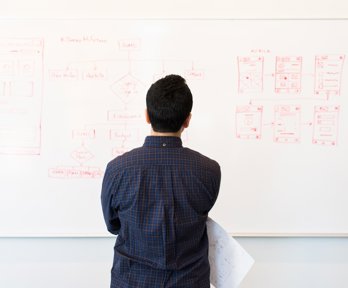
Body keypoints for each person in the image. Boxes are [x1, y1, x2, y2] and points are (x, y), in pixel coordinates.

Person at [101, 74, 221, 288]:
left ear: (147, 116)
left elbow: (113, 225)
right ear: (187, 120)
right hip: (189, 282)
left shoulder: (118, 169)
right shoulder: (209, 171)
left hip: (132, 281)